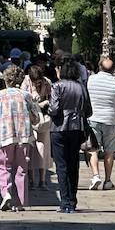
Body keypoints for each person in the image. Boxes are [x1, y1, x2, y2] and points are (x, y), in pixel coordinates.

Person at [0, 65, 39, 211]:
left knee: (3, 166)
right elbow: (36, 118)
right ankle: (21, 202)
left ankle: (6, 194)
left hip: (5, 136)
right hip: (24, 137)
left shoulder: (1, 95)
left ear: (5, 79)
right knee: (22, 169)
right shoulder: (26, 95)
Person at [49, 57, 92, 213]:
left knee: (61, 165)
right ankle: (72, 200)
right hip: (77, 127)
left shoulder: (57, 86)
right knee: (74, 164)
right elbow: (89, 110)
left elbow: (54, 109)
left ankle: (65, 201)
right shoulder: (81, 87)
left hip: (59, 127)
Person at [86, 56, 115, 190]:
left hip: (93, 117)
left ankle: (96, 175)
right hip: (110, 119)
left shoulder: (90, 80)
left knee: (93, 149)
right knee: (110, 151)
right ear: (113, 69)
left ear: (99, 67)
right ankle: (108, 180)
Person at [21, 64, 53, 189]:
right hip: (28, 120)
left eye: (39, 82)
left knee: (43, 149)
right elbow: (23, 101)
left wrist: (46, 103)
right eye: (35, 82)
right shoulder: (25, 83)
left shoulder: (47, 83)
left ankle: (43, 180)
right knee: (30, 148)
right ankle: (31, 180)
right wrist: (37, 104)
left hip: (43, 121)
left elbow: (52, 99)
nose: (37, 84)